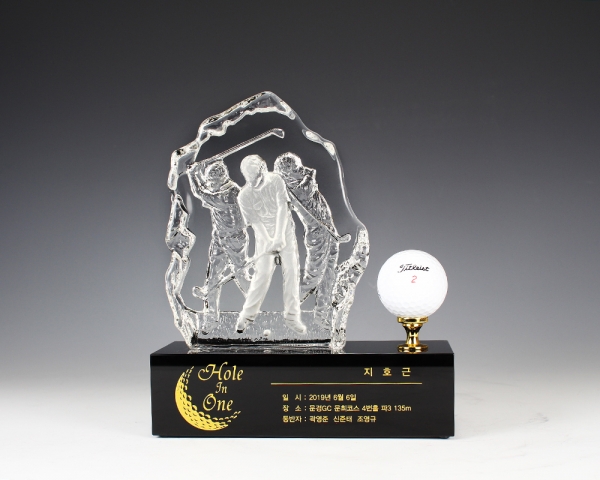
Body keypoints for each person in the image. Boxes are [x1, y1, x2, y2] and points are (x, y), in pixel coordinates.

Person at [235, 155, 306, 334]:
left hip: (285, 232)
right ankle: (246, 316)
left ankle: (292, 318)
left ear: (263, 169)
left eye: (257, 179)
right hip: (263, 236)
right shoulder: (244, 195)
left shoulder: (276, 180)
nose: (254, 184)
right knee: (262, 274)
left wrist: (279, 237)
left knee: (292, 272)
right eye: (250, 180)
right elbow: (256, 223)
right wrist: (269, 242)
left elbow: (283, 208)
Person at [274, 152, 340, 329]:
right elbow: (309, 183)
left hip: (329, 233)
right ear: (287, 174)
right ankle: (289, 312)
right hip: (318, 236)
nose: (302, 169)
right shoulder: (297, 190)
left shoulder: (298, 183)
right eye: (297, 168)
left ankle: (321, 317)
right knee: (313, 279)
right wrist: (309, 174)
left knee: (328, 276)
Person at [187, 160, 250, 333]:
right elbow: (207, 188)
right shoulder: (222, 188)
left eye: (212, 182)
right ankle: (211, 319)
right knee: (213, 277)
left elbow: (200, 192)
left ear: (221, 179)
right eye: (210, 182)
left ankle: (254, 307)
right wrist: (199, 172)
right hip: (219, 238)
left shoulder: (228, 195)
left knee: (241, 276)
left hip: (234, 240)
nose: (210, 185)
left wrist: (193, 174)